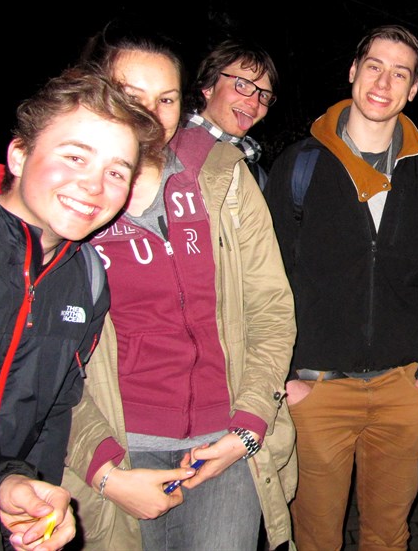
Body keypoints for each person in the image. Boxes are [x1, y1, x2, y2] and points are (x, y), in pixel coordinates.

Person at [61, 28, 298, 551]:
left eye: (165, 99)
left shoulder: (223, 177)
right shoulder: (68, 196)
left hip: (222, 441)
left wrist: (248, 425)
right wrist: (103, 471)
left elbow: (270, 309)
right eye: (131, 95)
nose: (150, 113)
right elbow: (42, 359)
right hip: (121, 446)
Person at [263, 24, 418, 550]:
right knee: (315, 537)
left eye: (400, 73)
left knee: (388, 536)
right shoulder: (300, 166)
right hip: (316, 390)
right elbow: (266, 280)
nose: (384, 82)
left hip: (403, 390)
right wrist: (286, 375)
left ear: (413, 89)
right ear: (353, 72)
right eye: (374, 66)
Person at [0, 68, 161, 550]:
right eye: (74, 157)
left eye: (116, 172)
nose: (93, 186)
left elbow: (51, 416)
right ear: (19, 154)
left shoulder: (86, 279)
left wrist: (20, 488)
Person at [186, 37, 280, 190]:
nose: (254, 103)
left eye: (263, 95)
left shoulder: (253, 171)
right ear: (209, 86)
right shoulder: (166, 151)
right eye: (241, 85)